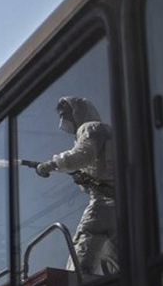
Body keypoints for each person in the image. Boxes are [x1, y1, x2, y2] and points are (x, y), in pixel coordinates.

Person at [35, 96, 118, 275]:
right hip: (126, 204)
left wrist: (50, 164)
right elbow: (101, 170)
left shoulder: (89, 128)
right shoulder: (107, 132)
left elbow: (79, 156)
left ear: (79, 111)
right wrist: (83, 178)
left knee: (85, 243)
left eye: (66, 114)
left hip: (105, 203)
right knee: (122, 256)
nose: (64, 120)